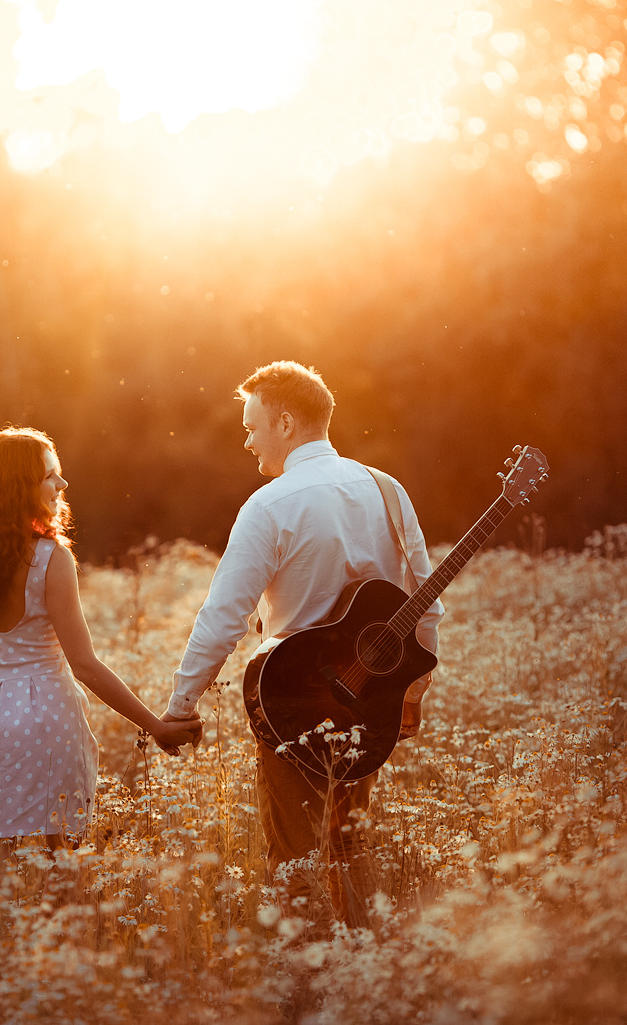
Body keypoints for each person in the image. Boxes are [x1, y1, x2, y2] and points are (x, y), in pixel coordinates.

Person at [160, 362, 443, 926]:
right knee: (349, 852)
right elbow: (425, 607)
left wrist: (179, 707)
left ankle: (307, 992)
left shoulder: (269, 506)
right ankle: (362, 981)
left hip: (292, 702)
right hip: (371, 702)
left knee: (294, 860)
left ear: (285, 422)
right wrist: (410, 696)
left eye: (252, 425)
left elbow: (223, 618)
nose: (248, 440)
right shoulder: (387, 490)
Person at [0, 427, 202, 887]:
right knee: (64, 871)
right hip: (49, 717)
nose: (62, 485)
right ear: (21, 487)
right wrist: (154, 725)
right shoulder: (52, 559)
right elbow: (85, 664)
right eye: (52, 476)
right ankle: (62, 955)